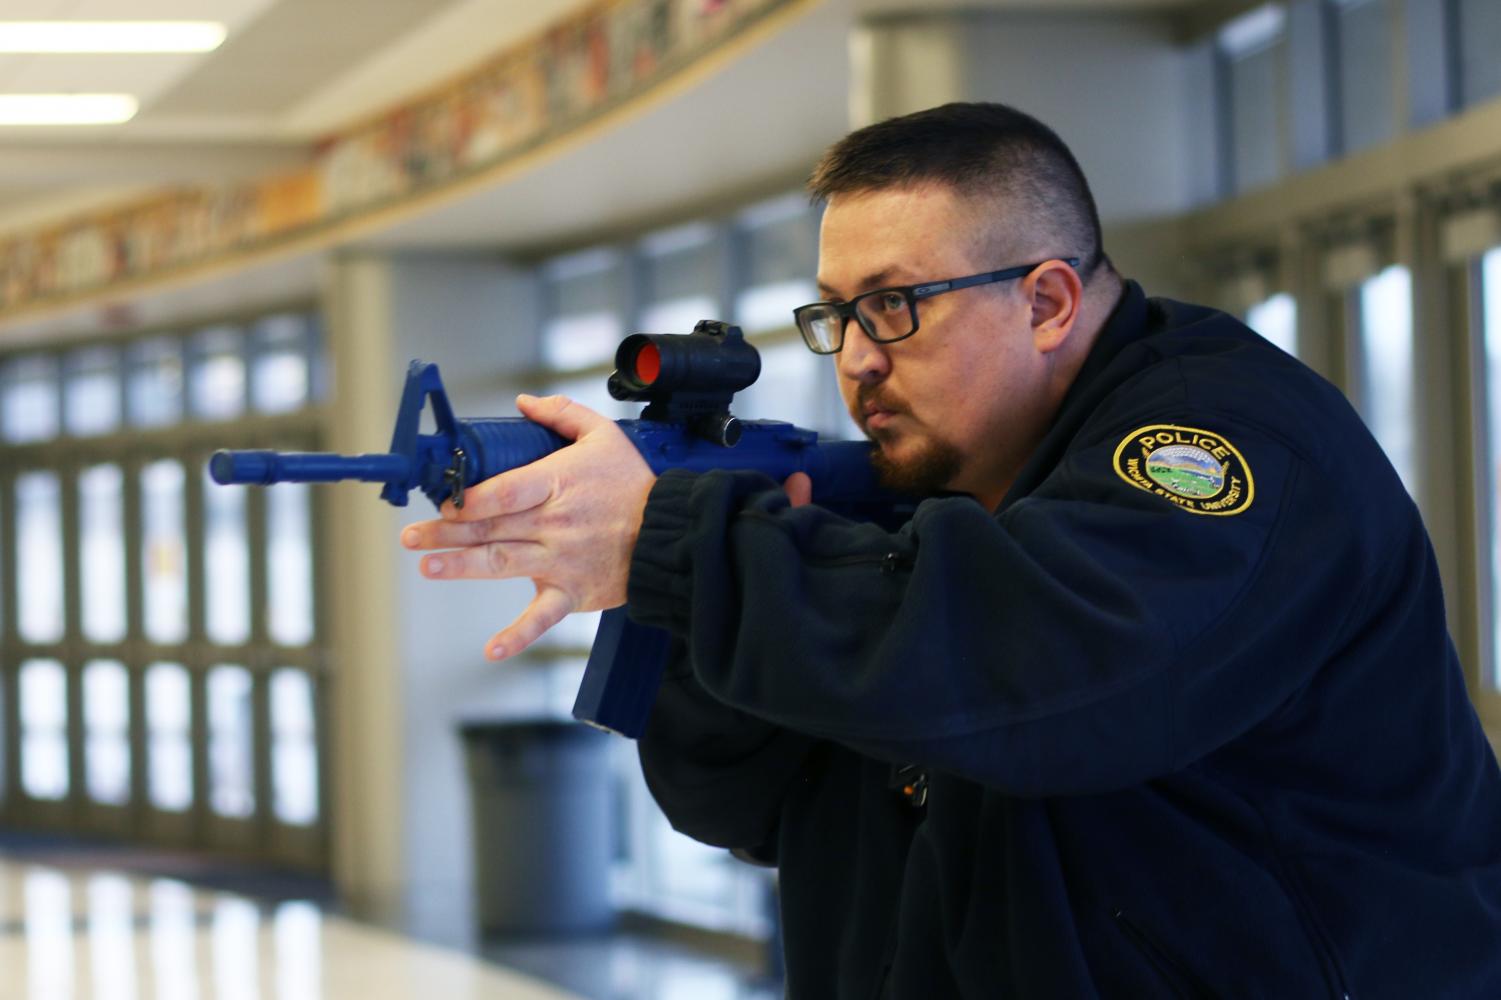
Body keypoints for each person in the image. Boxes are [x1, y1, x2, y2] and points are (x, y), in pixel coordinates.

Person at [401, 103, 1501, 998]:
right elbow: (743, 802)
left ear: (1048, 300)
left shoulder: (1215, 439)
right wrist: (678, 591)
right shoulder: (930, 489)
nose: (857, 360)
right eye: (836, 313)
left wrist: (677, 541)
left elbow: (1050, 674)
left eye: (895, 305)